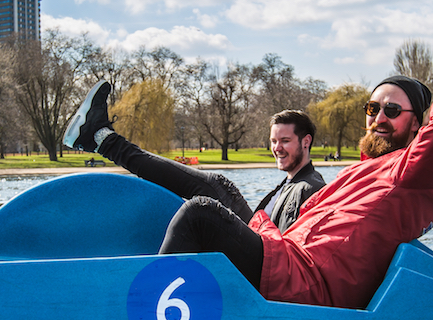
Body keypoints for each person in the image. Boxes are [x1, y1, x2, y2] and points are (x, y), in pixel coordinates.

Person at [71, 75, 433, 309]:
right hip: (285, 254)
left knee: (200, 213)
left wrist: (432, 105)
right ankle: (100, 137)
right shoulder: (367, 170)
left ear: (420, 126)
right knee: (216, 187)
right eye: (373, 109)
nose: (379, 118)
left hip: (303, 283)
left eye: (393, 110)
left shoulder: (413, 174)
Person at [64, 82, 325, 233]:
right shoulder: (293, 183)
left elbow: (291, 250)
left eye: (285, 141)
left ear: (306, 141)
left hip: (262, 251)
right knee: (217, 189)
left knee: (217, 189)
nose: (277, 148)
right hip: (257, 238)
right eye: (273, 141)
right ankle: (100, 138)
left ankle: (100, 137)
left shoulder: (309, 187)